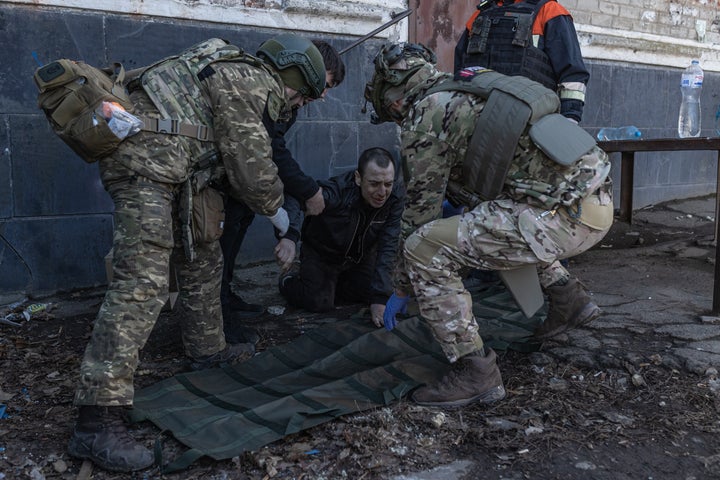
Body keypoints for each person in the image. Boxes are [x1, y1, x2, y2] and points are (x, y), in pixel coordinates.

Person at [67, 34, 327, 473]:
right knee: (141, 285)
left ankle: (207, 352)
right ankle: (96, 421)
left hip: (174, 165)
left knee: (204, 254)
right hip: (145, 166)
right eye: (300, 96)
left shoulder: (230, 66)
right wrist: (282, 217)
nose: (296, 105)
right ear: (291, 77)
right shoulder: (251, 79)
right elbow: (253, 169)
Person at [364, 42, 613, 408]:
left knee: (424, 247)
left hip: (562, 219)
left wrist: (401, 286)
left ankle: (475, 371)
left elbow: (420, 215)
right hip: (596, 200)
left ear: (396, 98)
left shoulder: (425, 117)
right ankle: (568, 298)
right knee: (493, 221)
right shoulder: (469, 88)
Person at [220, 40, 346, 343]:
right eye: (325, 83)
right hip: (224, 180)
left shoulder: (290, 105)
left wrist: (289, 233)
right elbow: (273, 153)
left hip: (242, 183)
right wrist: (308, 191)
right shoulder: (267, 93)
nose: (324, 94)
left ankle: (225, 295)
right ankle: (219, 315)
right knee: (219, 245)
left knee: (237, 229)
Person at [277, 147, 404, 327]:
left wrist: (380, 299)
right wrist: (290, 236)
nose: (382, 192)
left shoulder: (395, 198)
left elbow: (389, 244)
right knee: (319, 302)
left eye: (388, 184)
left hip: (360, 257)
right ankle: (289, 280)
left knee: (377, 293)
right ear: (358, 178)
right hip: (323, 255)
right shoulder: (337, 191)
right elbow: (296, 196)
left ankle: (335, 284)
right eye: (374, 184)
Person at [454, 0, 589, 123]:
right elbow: (460, 70)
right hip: (475, 118)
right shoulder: (480, 14)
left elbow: (572, 75)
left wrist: (569, 119)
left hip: (529, 121)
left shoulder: (550, 12)